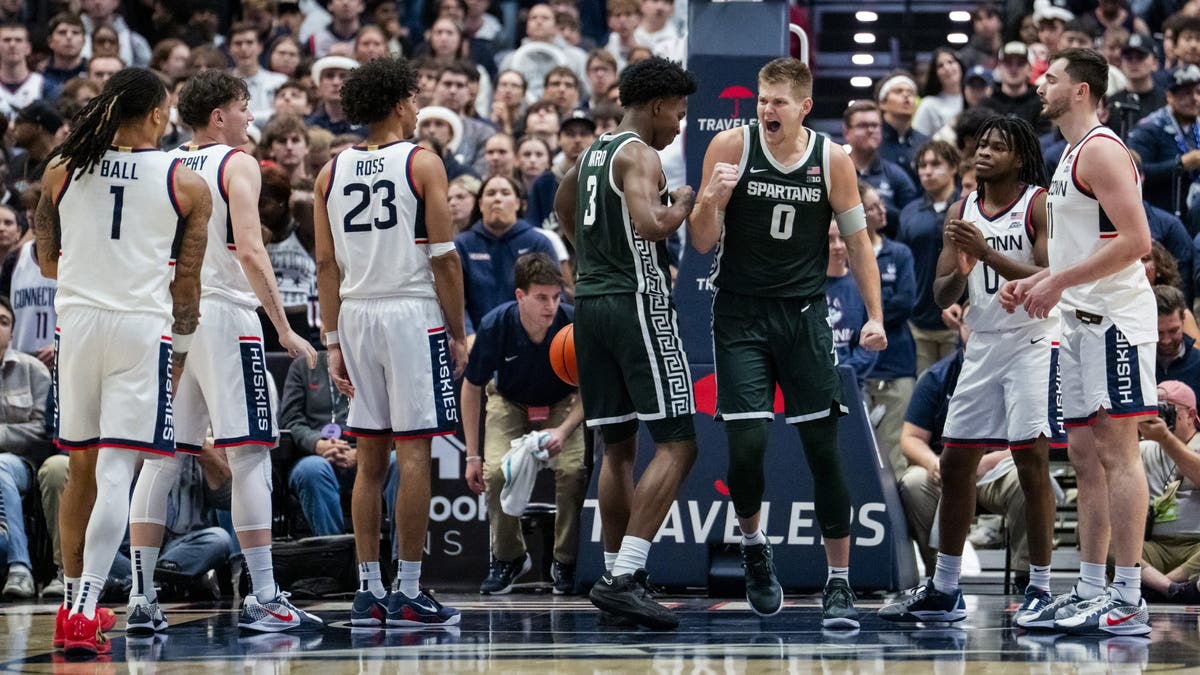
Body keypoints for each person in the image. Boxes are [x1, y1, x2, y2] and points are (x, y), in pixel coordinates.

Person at [121, 70, 321, 636]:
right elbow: (253, 252)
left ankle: (141, 600)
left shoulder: (162, 165)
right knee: (250, 452)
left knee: (160, 458)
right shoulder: (238, 165)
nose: (250, 118)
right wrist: (283, 327)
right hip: (225, 315)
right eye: (243, 107)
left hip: (167, 318)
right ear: (219, 117)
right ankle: (263, 596)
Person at [690, 57, 886, 627]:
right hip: (740, 316)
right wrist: (710, 201)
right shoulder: (729, 146)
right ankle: (754, 548)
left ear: (803, 108)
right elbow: (701, 243)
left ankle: (840, 583)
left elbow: (859, 244)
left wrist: (875, 314)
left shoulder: (832, 160)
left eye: (778, 101)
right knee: (746, 450)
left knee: (826, 452)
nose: (766, 109)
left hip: (804, 318)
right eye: (761, 98)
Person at [34, 67, 211, 658]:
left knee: (80, 468)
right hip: (140, 327)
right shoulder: (184, 181)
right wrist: (181, 353)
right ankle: (87, 610)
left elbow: (45, 258)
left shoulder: (63, 166)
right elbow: (187, 286)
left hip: (79, 324)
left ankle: (68, 607)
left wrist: (93, 269)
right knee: (116, 472)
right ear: (160, 115)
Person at [881, 115, 1061, 625]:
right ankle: (945, 589)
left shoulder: (1038, 203)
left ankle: (1041, 588)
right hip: (980, 343)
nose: (983, 153)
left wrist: (987, 255)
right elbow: (940, 293)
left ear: (1020, 158)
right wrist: (960, 272)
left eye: (997, 147)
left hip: (1031, 339)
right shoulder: (962, 209)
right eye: (980, 145)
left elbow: (1049, 277)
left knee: (1030, 460)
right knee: (956, 462)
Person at [1004, 48, 1156, 636]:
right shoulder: (1068, 153)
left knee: (1118, 454)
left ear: (1083, 91)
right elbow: (1083, 247)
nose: (1043, 85)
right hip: (1078, 321)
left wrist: (1058, 281)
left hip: (1114, 321)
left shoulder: (1101, 149)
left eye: (1054, 79)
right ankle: (1092, 586)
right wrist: (1040, 282)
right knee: (1086, 460)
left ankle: (1128, 595)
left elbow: (1137, 241)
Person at [314, 56, 467, 628]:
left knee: (370, 459)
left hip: (354, 314)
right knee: (415, 452)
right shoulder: (422, 161)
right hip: (409, 311)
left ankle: (367, 590)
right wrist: (457, 330)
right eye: (415, 97)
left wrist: (331, 339)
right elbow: (445, 259)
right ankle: (408, 589)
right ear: (401, 103)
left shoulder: (328, 172)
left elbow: (325, 263)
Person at [553, 56, 698, 630]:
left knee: (617, 448)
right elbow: (653, 226)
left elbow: (565, 206)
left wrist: (589, 256)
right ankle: (627, 573)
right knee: (681, 442)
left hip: (589, 305)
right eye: (679, 114)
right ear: (659, 105)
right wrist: (685, 200)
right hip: (636, 302)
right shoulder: (640, 152)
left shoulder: (593, 151)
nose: (680, 126)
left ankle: (616, 577)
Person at [461, 253, 585, 596]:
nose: (551, 306)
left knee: (573, 470)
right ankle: (509, 557)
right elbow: (471, 388)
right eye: (541, 297)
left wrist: (562, 430)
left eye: (556, 297)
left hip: (564, 402)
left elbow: (592, 387)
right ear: (520, 296)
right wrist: (472, 455)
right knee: (496, 471)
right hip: (509, 399)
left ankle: (567, 560)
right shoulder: (494, 325)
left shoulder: (572, 325)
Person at [456, 174, 559, 332]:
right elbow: (455, 300)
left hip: (529, 338)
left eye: (505, 193)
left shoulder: (538, 242)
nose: (498, 199)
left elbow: (555, 294)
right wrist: (467, 335)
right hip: (476, 341)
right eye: (491, 194)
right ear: (480, 204)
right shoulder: (462, 245)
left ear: (518, 203)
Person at [0, 296, 52, 600]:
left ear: (13, 332)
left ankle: (21, 567)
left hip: (25, 467)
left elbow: (44, 432)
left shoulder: (33, 371)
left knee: (2, 466)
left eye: (4, 322)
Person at [1137, 380, 1200, 604]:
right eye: (1154, 408)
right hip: (1156, 548)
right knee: (1104, 536)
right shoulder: (1142, 449)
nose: (1160, 415)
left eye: (1167, 408)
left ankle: (1154, 586)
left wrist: (1165, 439)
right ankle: (1172, 589)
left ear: (1191, 414)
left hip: (1196, 547)